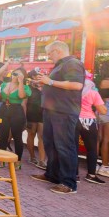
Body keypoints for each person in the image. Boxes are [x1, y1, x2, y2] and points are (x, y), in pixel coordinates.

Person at [31, 41, 85, 195]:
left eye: (50, 53)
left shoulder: (73, 63)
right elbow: (59, 86)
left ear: (58, 50)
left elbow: (76, 85)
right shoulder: (63, 64)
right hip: (53, 110)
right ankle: (52, 175)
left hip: (64, 111)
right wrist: (43, 85)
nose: (49, 57)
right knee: (51, 144)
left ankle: (69, 183)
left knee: (64, 146)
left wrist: (50, 81)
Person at [77, 73, 108, 184]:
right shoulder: (93, 92)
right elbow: (103, 110)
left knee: (73, 148)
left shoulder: (74, 91)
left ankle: (74, 174)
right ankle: (91, 174)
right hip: (88, 121)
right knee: (91, 149)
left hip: (74, 119)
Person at [0, 67, 31, 167]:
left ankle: (18, 161)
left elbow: (21, 96)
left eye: (18, 74)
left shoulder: (25, 87)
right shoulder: (4, 84)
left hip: (17, 111)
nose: (15, 76)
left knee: (17, 137)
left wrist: (20, 82)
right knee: (3, 136)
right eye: (14, 73)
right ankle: (1, 160)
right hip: (3, 110)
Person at [25, 69, 46, 168]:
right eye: (38, 76)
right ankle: (32, 157)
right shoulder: (28, 88)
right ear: (33, 77)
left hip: (43, 114)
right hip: (31, 114)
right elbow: (24, 103)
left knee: (41, 136)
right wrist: (25, 117)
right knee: (31, 134)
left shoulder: (45, 87)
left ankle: (42, 160)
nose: (40, 77)